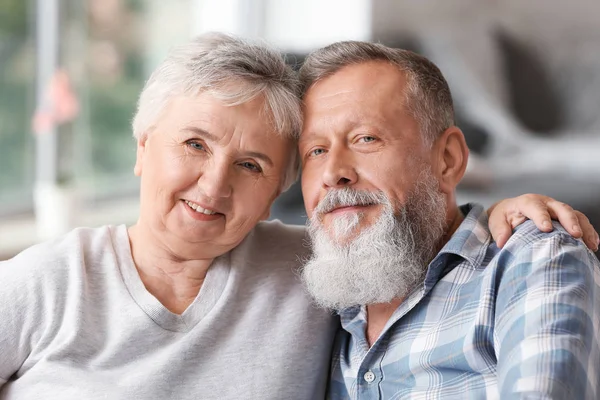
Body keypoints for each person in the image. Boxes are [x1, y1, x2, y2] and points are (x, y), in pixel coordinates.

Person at [0, 33, 596, 400]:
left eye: (253, 165)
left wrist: (504, 216)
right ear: (141, 147)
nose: (214, 184)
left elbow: (413, 228)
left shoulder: (313, 271)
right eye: (194, 144)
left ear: (274, 195)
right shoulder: (48, 281)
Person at [297, 40, 600, 399]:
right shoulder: (304, 287)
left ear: (448, 160)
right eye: (316, 150)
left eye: (365, 139)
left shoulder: (532, 256)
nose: (333, 173)